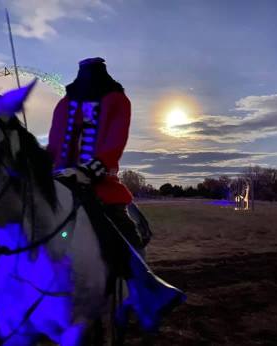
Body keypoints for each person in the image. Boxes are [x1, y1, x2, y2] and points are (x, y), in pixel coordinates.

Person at [47, 57, 185, 331]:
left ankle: (143, 292)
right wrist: (47, 167)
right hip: (60, 184)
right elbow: (54, 144)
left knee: (126, 235)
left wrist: (88, 170)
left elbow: (114, 145)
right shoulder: (64, 103)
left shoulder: (117, 100)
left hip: (100, 186)